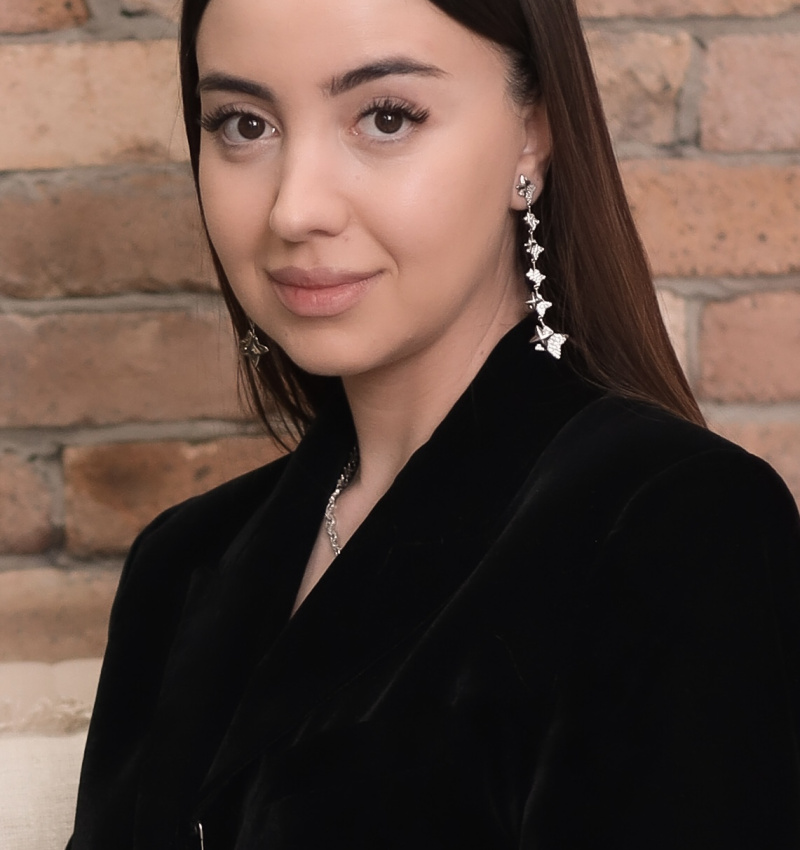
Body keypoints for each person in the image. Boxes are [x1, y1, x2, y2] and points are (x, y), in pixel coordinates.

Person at [68, 0, 800, 847]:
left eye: (385, 117)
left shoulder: (678, 525)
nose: (294, 209)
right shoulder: (179, 565)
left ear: (532, 137)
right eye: (243, 124)